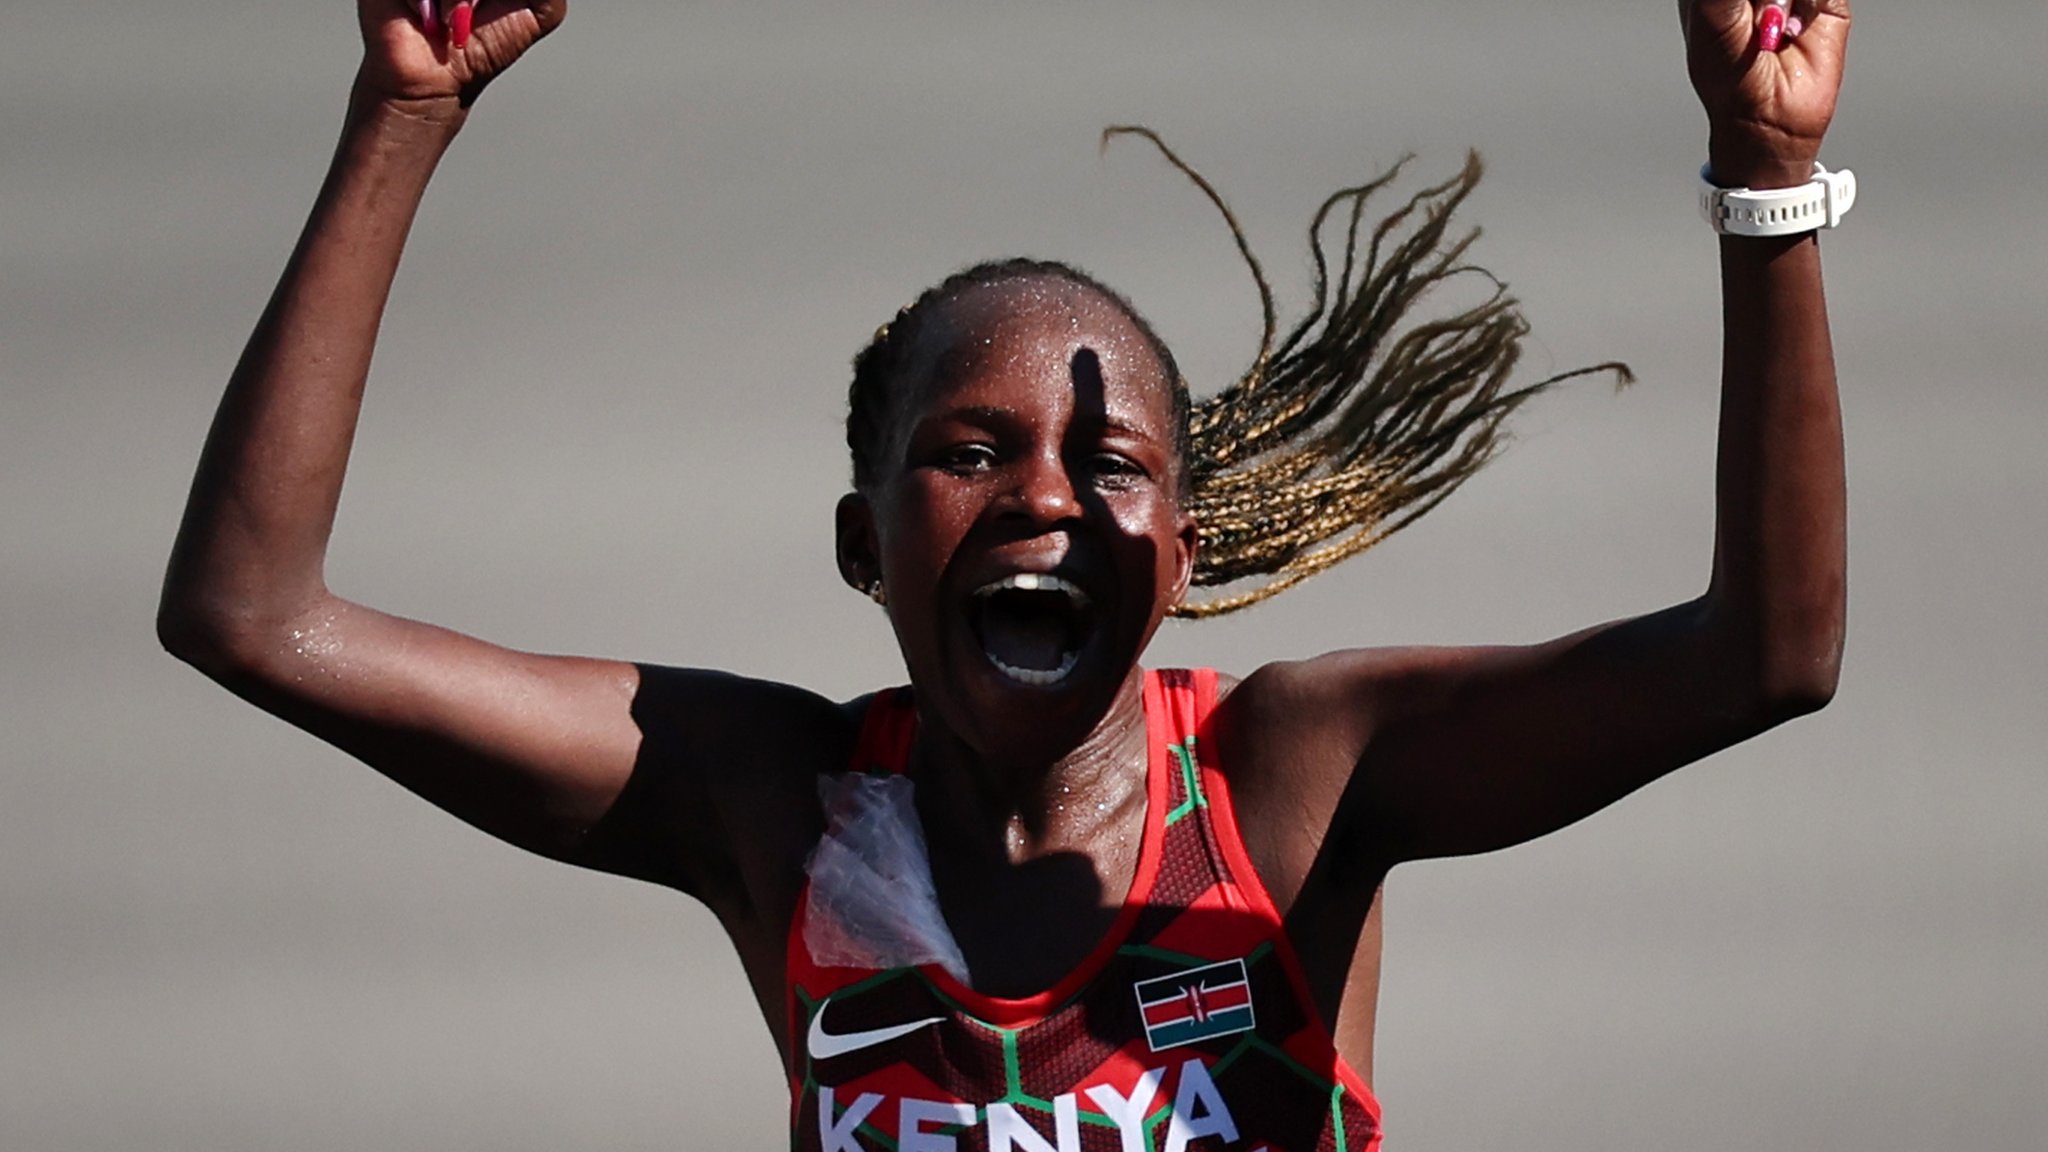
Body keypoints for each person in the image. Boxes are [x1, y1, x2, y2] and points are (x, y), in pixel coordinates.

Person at [157, 0, 1851, 1148]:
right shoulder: (781, 809)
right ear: (860, 545)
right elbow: (255, 617)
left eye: (1110, 466)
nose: (1046, 498)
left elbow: (1762, 658)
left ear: (1177, 558)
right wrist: (405, 108)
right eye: (970, 452)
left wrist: (1769, 179)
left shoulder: (1294, 780)